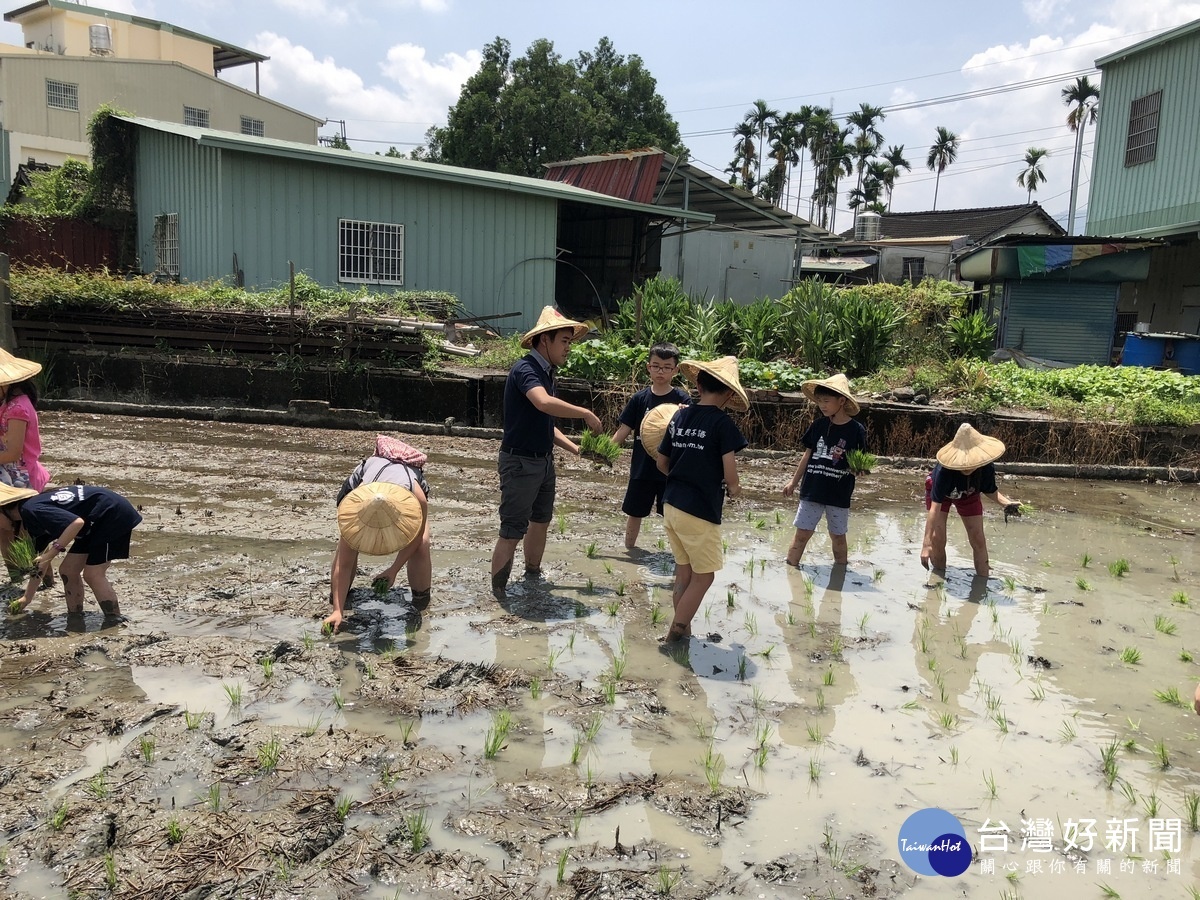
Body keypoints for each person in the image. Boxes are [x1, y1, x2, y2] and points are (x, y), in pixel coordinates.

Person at [490, 307, 602, 599]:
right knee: (512, 530)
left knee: (540, 521)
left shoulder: (547, 372)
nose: (568, 348)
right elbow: (542, 403)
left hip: (542, 462)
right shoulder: (526, 369)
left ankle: (532, 577)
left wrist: (576, 449)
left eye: (569, 342)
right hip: (520, 462)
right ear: (544, 341)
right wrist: (585, 413)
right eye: (564, 341)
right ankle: (498, 594)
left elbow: (546, 425)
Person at [657, 356, 748, 643]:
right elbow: (729, 472)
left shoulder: (679, 416)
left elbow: (661, 461)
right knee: (704, 577)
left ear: (698, 384)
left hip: (671, 503)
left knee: (684, 573)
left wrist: (683, 477)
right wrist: (735, 490)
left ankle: (683, 632)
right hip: (698, 511)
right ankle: (675, 634)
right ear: (730, 394)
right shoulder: (722, 424)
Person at [325, 435, 432, 633]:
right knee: (349, 544)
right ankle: (338, 597)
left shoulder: (417, 497)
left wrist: (393, 570)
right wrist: (337, 610)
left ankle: (422, 599)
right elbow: (344, 562)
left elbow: (416, 538)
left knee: (423, 544)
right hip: (365, 488)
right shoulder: (355, 501)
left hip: (405, 483)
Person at [0, 483, 142, 617]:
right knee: (68, 570)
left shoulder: (31, 510)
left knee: (93, 574)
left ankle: (114, 621)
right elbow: (40, 565)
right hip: (91, 524)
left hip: (110, 514)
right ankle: (75, 616)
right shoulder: (29, 517)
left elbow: (76, 523)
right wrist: (27, 598)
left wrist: (52, 552)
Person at [610, 343, 691, 550]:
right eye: (656, 366)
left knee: (673, 516)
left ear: (675, 370)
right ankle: (630, 549)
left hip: (670, 471)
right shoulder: (639, 399)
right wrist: (604, 451)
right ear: (648, 368)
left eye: (666, 367)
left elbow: (690, 432)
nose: (660, 371)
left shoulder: (682, 400)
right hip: (642, 468)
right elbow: (624, 430)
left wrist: (686, 415)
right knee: (634, 512)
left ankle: (678, 557)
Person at [782, 374, 867, 567]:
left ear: (842, 401)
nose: (822, 406)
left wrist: (860, 470)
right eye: (819, 401)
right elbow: (807, 455)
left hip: (839, 493)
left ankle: (841, 573)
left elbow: (860, 462)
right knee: (802, 534)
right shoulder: (818, 425)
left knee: (838, 536)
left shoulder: (856, 430)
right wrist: (793, 482)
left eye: (826, 401)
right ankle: (790, 569)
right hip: (812, 490)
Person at [920, 423, 1022, 578]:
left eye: (971, 462)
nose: (968, 467)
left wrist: (1007, 503)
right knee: (937, 538)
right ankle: (938, 579)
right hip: (942, 496)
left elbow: (990, 490)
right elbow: (935, 508)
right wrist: (926, 544)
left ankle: (983, 584)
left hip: (968, 494)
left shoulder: (985, 466)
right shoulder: (944, 471)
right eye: (964, 463)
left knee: (978, 538)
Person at [0, 349, 51, 561]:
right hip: (7, 473)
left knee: (21, 532)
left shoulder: (17, 408)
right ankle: (20, 579)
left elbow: (13, 452)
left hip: (20, 478)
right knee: (5, 530)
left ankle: (37, 579)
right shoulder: (6, 403)